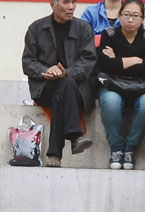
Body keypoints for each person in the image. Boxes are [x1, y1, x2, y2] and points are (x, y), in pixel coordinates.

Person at [22, 0, 98, 166]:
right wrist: (46, 71)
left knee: (65, 86)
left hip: (77, 88)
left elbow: (89, 60)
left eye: (73, 2)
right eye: (65, 2)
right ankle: (75, 136)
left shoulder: (83, 28)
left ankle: (54, 155)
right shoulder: (36, 28)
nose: (71, 7)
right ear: (53, 5)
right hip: (44, 87)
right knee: (63, 87)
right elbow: (28, 62)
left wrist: (67, 73)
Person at [98, 0, 145, 170]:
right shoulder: (109, 34)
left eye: (135, 16)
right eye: (126, 15)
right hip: (112, 85)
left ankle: (130, 147)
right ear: (119, 16)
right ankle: (116, 148)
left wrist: (117, 60)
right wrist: (135, 59)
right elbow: (106, 65)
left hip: (142, 86)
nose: (130, 19)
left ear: (142, 18)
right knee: (111, 101)